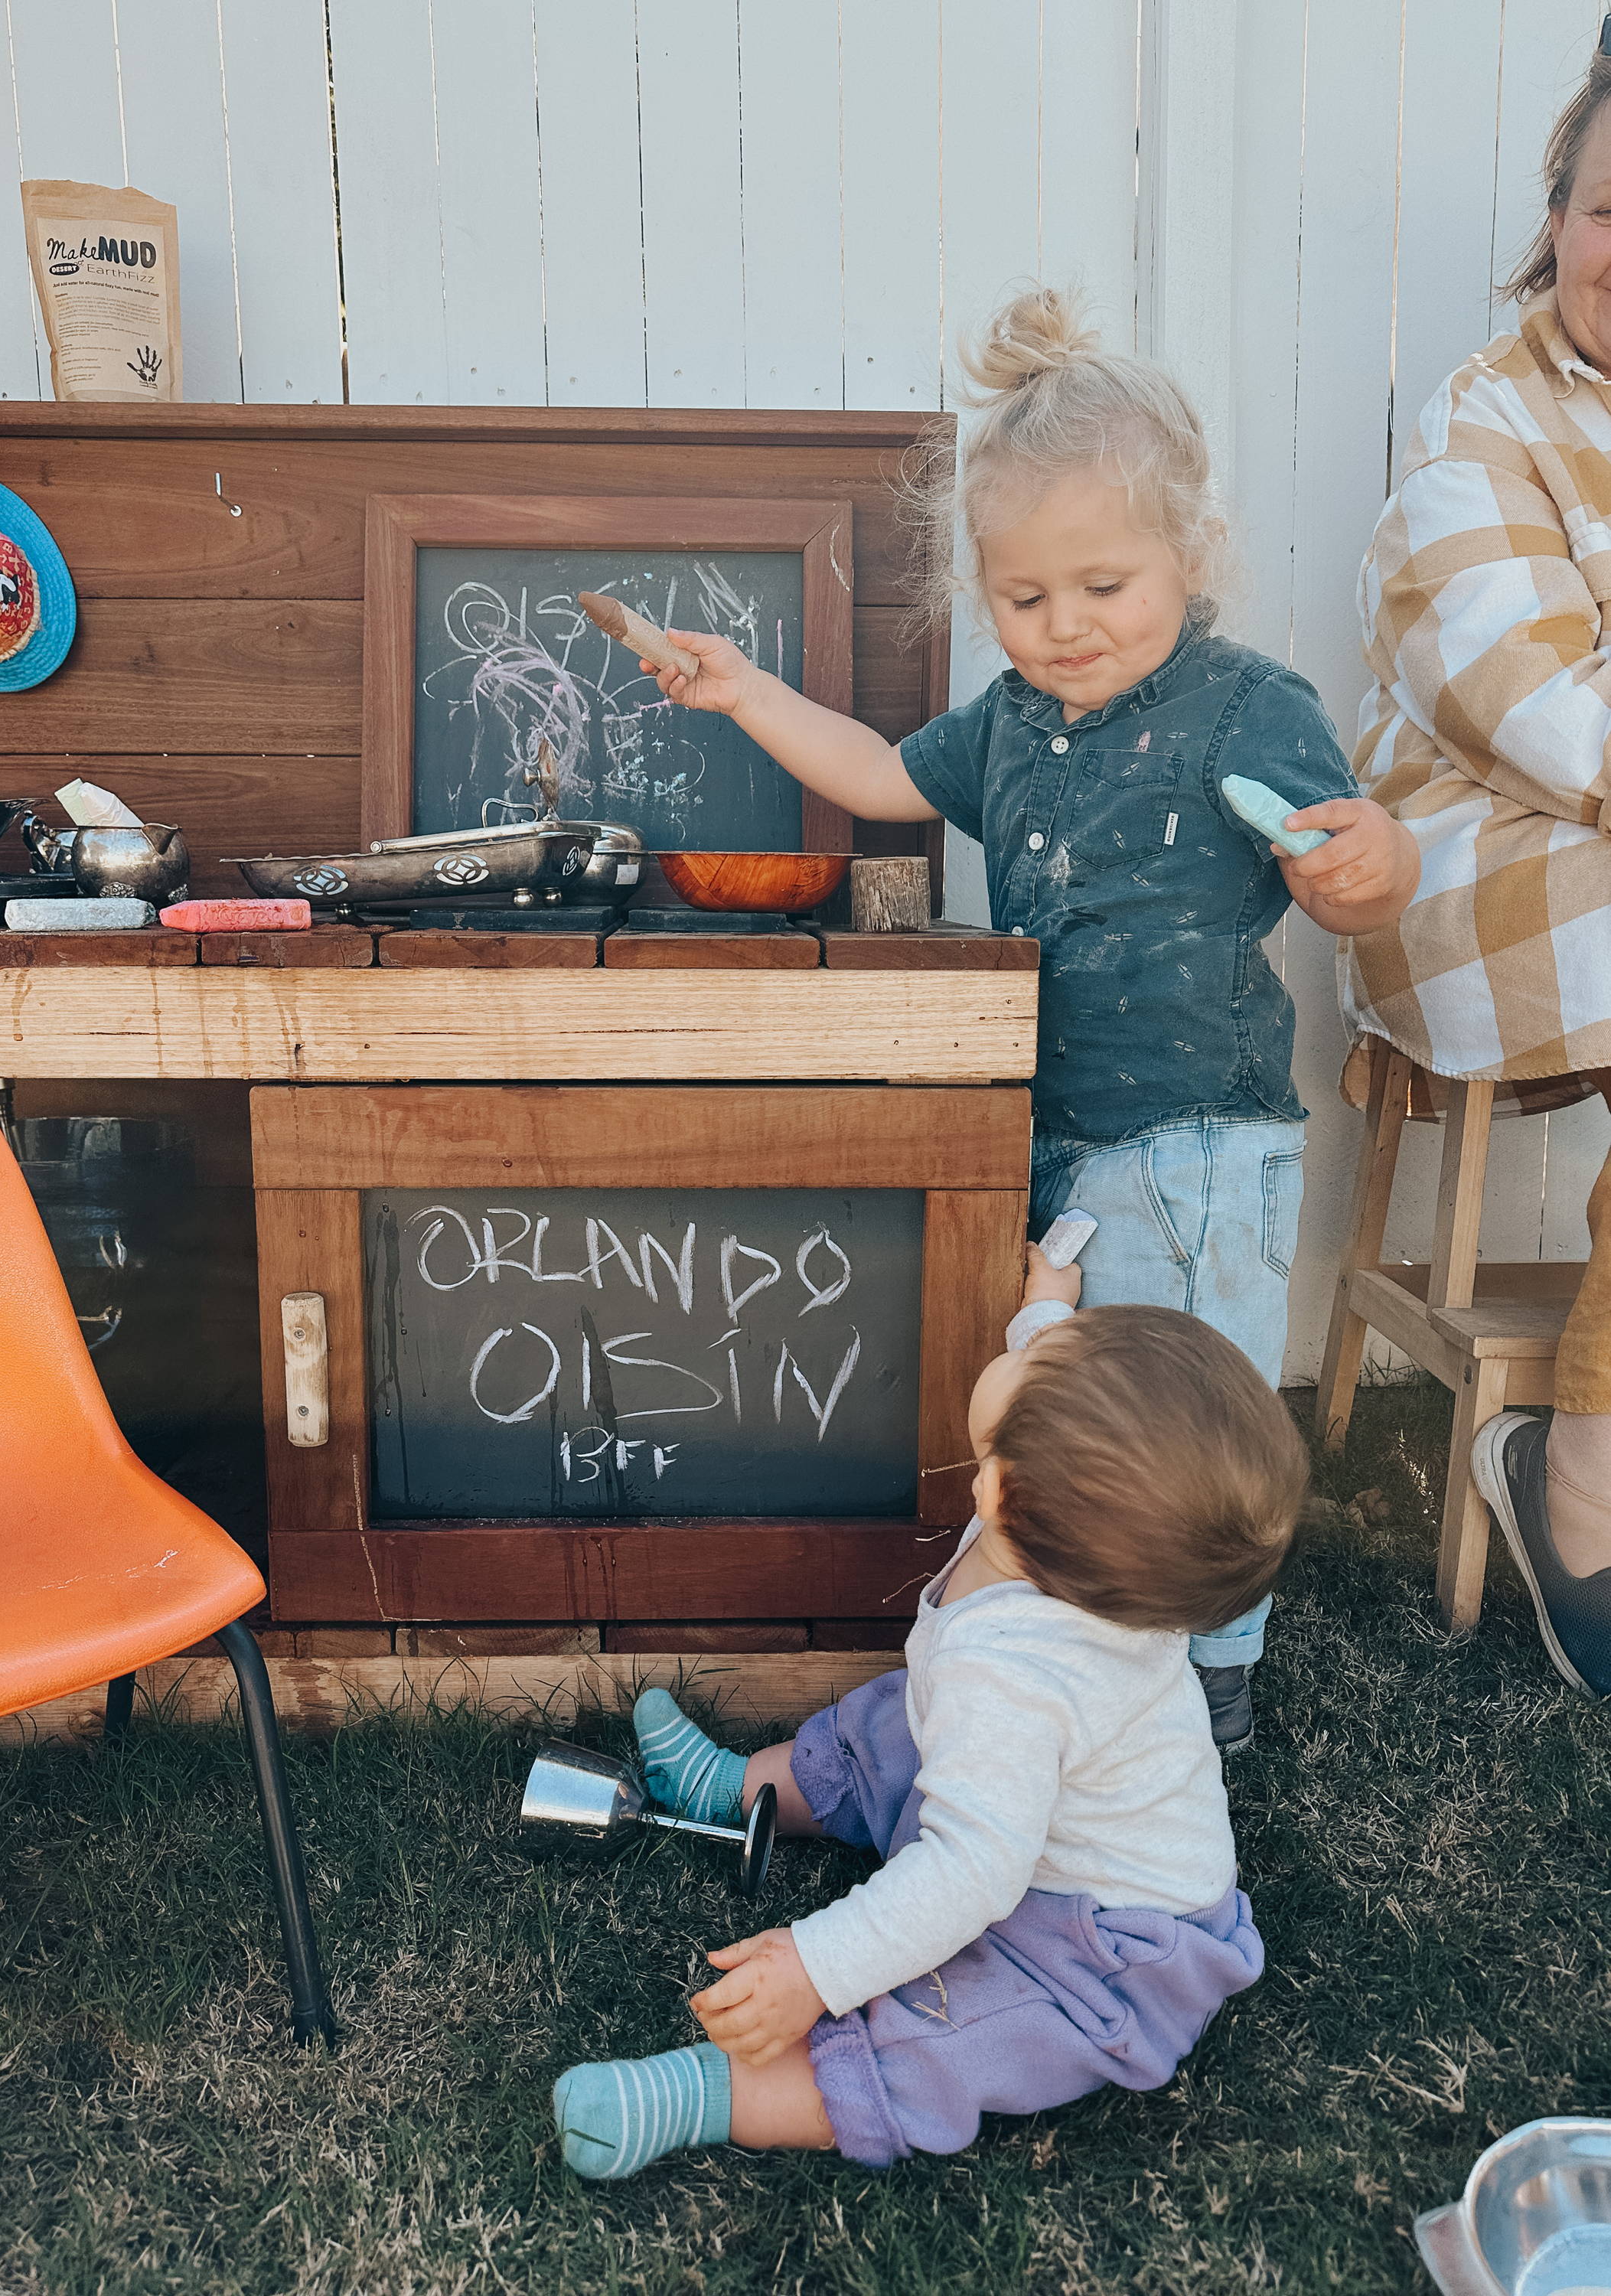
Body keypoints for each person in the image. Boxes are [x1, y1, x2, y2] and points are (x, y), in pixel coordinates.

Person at [636, 286, 1418, 1747]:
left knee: (1199, 1413)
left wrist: (1375, 864)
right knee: (1090, 1417)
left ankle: (1211, 1680)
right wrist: (744, 694)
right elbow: (877, 778)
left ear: (1194, 554)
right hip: (1059, 1132)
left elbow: (1351, 877)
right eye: (1025, 597)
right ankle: (1105, 1646)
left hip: (1195, 1140)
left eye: (1106, 586)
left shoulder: (1246, 705)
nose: (1064, 628)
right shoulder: (1008, 724)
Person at [548, 1244, 1309, 2177]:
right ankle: (735, 1789)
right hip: (1025, 1807)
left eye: (1038, 1363)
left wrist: (816, 1967)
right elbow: (1063, 1400)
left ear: (1001, 1491)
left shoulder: (1021, 1680)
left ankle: (714, 2096)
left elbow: (969, 1877)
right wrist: (1047, 1309)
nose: (1035, 1350)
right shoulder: (1077, 1531)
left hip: (1090, 1943)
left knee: (954, 2031)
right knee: (890, 1730)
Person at [1346, 22, 1611, 1694]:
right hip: (1467, 861)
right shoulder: (1483, 424)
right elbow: (1548, 713)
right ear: (1558, 215)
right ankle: (1577, 1478)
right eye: (1609, 212)